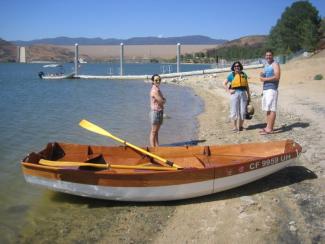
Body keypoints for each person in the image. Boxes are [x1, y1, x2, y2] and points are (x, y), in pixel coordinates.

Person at [223, 61, 251, 132]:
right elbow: (224, 83)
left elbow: (247, 86)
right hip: (234, 94)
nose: (236, 67)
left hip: (243, 93)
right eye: (235, 66)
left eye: (238, 66)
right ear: (233, 67)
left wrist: (249, 96)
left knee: (243, 111)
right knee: (234, 111)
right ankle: (235, 127)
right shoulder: (231, 75)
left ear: (240, 66)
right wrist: (229, 91)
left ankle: (240, 126)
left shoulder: (244, 74)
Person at [259, 49, 281, 135]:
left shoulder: (275, 64)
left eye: (270, 55)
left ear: (272, 56)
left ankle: (270, 129)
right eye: (267, 55)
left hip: (272, 89)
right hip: (266, 89)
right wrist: (262, 75)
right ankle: (267, 127)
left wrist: (264, 79)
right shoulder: (266, 65)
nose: (268, 56)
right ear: (265, 56)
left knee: (272, 109)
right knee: (267, 108)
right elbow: (263, 74)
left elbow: (277, 76)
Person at [150, 74, 166, 147]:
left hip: (159, 111)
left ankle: (157, 146)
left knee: (156, 131)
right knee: (153, 131)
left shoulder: (157, 89)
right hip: (155, 112)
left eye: (159, 80)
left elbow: (163, 100)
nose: (158, 81)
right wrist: (163, 100)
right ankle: (153, 148)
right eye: (156, 80)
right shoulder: (154, 90)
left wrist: (163, 100)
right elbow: (162, 101)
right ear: (153, 81)